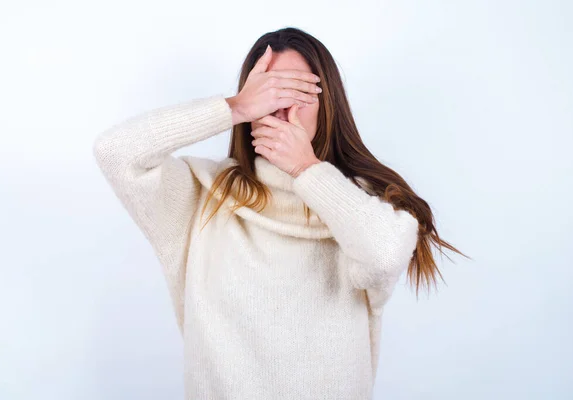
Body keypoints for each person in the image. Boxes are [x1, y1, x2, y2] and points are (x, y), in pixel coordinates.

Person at [93, 27, 468, 400]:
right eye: (269, 92)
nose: (282, 108)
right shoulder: (200, 195)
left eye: (298, 91)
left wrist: (306, 169)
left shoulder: (363, 205)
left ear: (328, 103)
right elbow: (115, 152)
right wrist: (233, 107)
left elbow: (385, 256)